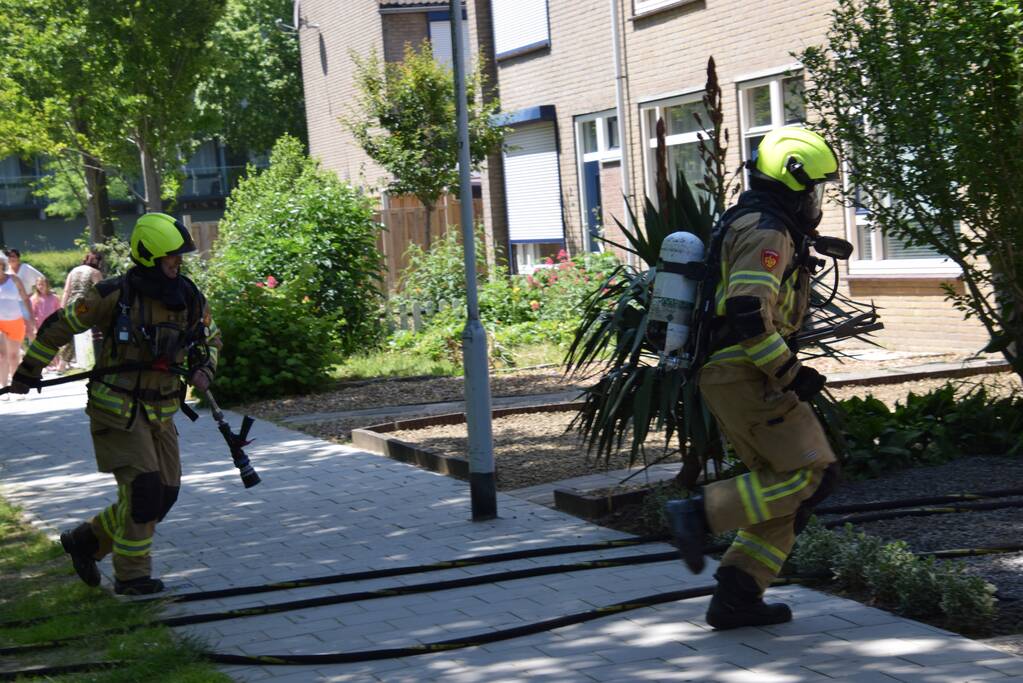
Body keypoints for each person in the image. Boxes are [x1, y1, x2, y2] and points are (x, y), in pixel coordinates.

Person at [664, 127, 843, 630]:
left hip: (735, 374)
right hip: (745, 373)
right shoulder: (768, 232)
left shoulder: (757, 221)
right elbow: (747, 311)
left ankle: (737, 597)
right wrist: (790, 372)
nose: (815, 202)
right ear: (792, 184)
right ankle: (697, 514)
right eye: (813, 190)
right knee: (812, 474)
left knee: (785, 489)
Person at [7, 213, 221, 595]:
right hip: (118, 412)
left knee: (164, 494)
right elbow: (58, 325)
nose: (179, 262)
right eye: (172, 256)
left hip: (161, 414)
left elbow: (211, 339)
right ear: (150, 255)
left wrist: (204, 367)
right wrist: (28, 372)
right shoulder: (113, 295)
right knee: (144, 492)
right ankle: (132, 576)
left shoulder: (189, 297)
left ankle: (85, 541)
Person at [0, 253, 36, 393]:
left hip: (16, 321)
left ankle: (16, 386)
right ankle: (3, 387)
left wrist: (31, 318)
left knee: (14, 356)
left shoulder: (14, 280)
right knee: (2, 355)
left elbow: (26, 299)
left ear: (2, 265)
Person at [61, 251, 104, 368]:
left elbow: (66, 291)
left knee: (70, 331)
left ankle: (62, 364)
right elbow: (101, 292)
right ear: (99, 262)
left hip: (71, 305)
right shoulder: (95, 272)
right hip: (85, 305)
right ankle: (96, 361)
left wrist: (62, 309)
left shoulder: (73, 271)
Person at [29, 277, 65, 373]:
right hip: (40, 326)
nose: (41, 286)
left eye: (43, 284)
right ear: (36, 286)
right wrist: (34, 327)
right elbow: (32, 314)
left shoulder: (54, 298)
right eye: (39, 284)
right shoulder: (34, 299)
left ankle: (58, 364)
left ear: (47, 285)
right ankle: (46, 365)